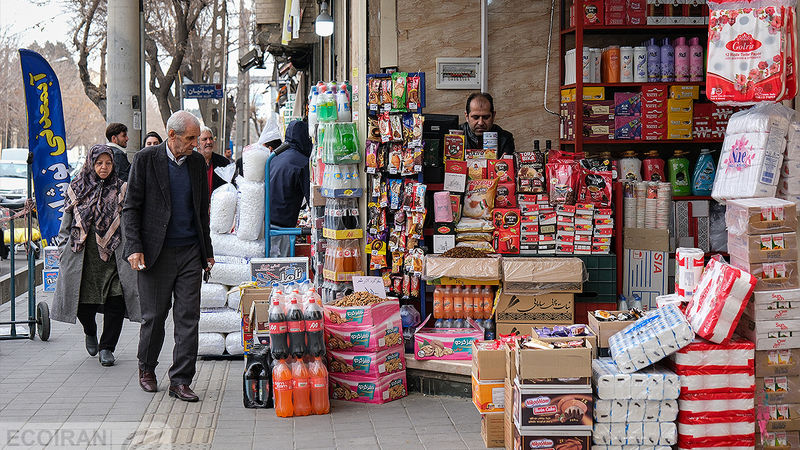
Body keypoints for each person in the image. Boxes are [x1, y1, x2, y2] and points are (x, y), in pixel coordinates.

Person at [123, 110, 214, 402]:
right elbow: (131, 208)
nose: (195, 144)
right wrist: (134, 247)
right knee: (154, 317)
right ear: (171, 136)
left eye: (197, 139)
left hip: (189, 251)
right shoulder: (146, 160)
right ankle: (147, 368)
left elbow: (202, 211)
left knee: (188, 317)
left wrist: (207, 251)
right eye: (190, 139)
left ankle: (181, 380)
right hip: (155, 253)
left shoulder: (197, 163)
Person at [51, 145, 141, 367]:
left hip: (114, 255)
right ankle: (90, 330)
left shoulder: (122, 189)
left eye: (108, 163)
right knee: (82, 304)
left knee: (116, 301)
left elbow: (130, 222)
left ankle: (107, 347)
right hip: (82, 256)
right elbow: (66, 224)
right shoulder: (77, 187)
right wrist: (63, 250)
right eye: (99, 163)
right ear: (91, 164)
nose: (104, 167)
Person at [268, 119, 310, 257]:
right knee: (281, 269)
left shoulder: (275, 157)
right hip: (283, 227)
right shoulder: (302, 162)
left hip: (267, 223)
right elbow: (312, 199)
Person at [459, 92, 515, 159]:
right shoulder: (454, 137)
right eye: (475, 117)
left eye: (485, 117)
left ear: (493, 116)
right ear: (466, 116)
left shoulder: (505, 138)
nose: (480, 123)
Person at [197, 126, 231, 196]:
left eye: (211, 138)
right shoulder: (190, 162)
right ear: (197, 144)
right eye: (205, 139)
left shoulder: (224, 162)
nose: (209, 142)